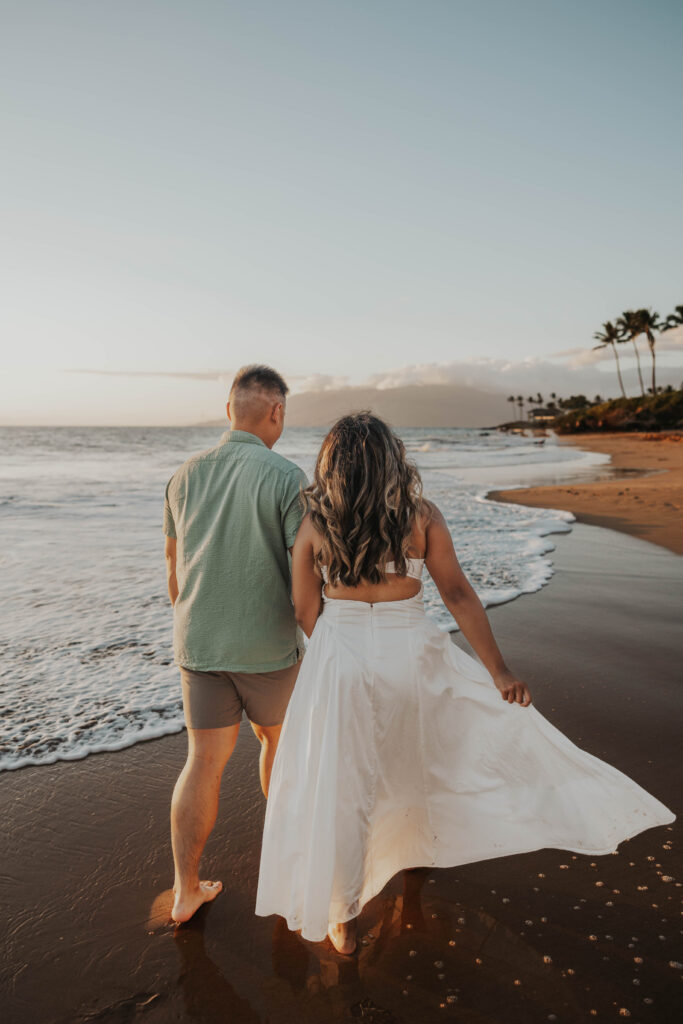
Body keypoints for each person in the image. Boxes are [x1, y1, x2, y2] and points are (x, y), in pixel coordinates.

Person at [255, 412, 675, 954]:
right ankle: (413, 864)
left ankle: (343, 918)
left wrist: (341, 649)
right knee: (420, 762)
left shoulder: (315, 524)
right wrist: (499, 670)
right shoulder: (420, 516)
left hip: (341, 657)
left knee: (346, 781)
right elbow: (456, 594)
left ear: (331, 466)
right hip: (411, 653)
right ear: (391, 459)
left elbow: (303, 608)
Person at [164, 364, 307, 924]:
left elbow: (174, 578)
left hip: (199, 643)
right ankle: (290, 863)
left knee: (203, 762)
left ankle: (184, 891)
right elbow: (304, 579)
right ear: (275, 412)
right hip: (267, 647)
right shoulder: (288, 478)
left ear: (229, 410)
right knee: (278, 745)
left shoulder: (182, 476)